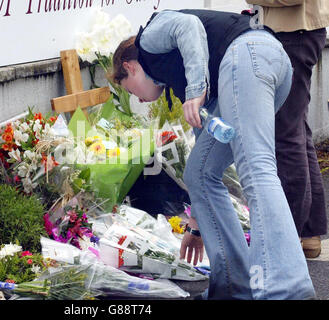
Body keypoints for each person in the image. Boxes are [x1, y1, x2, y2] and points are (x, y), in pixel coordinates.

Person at [110, 9, 316, 299]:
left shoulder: (150, 39)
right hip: (265, 62)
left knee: (257, 169)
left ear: (130, 67)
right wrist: (195, 226)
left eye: (130, 91)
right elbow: (204, 137)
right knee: (199, 172)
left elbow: (189, 26)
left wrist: (196, 89)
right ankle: (234, 287)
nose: (138, 99)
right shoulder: (174, 71)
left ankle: (287, 289)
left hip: (248, 56)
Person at [245, 1, 329, 259]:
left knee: (287, 137)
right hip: (298, 33)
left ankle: (287, 236)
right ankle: (308, 233)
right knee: (297, 134)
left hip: (295, 35)